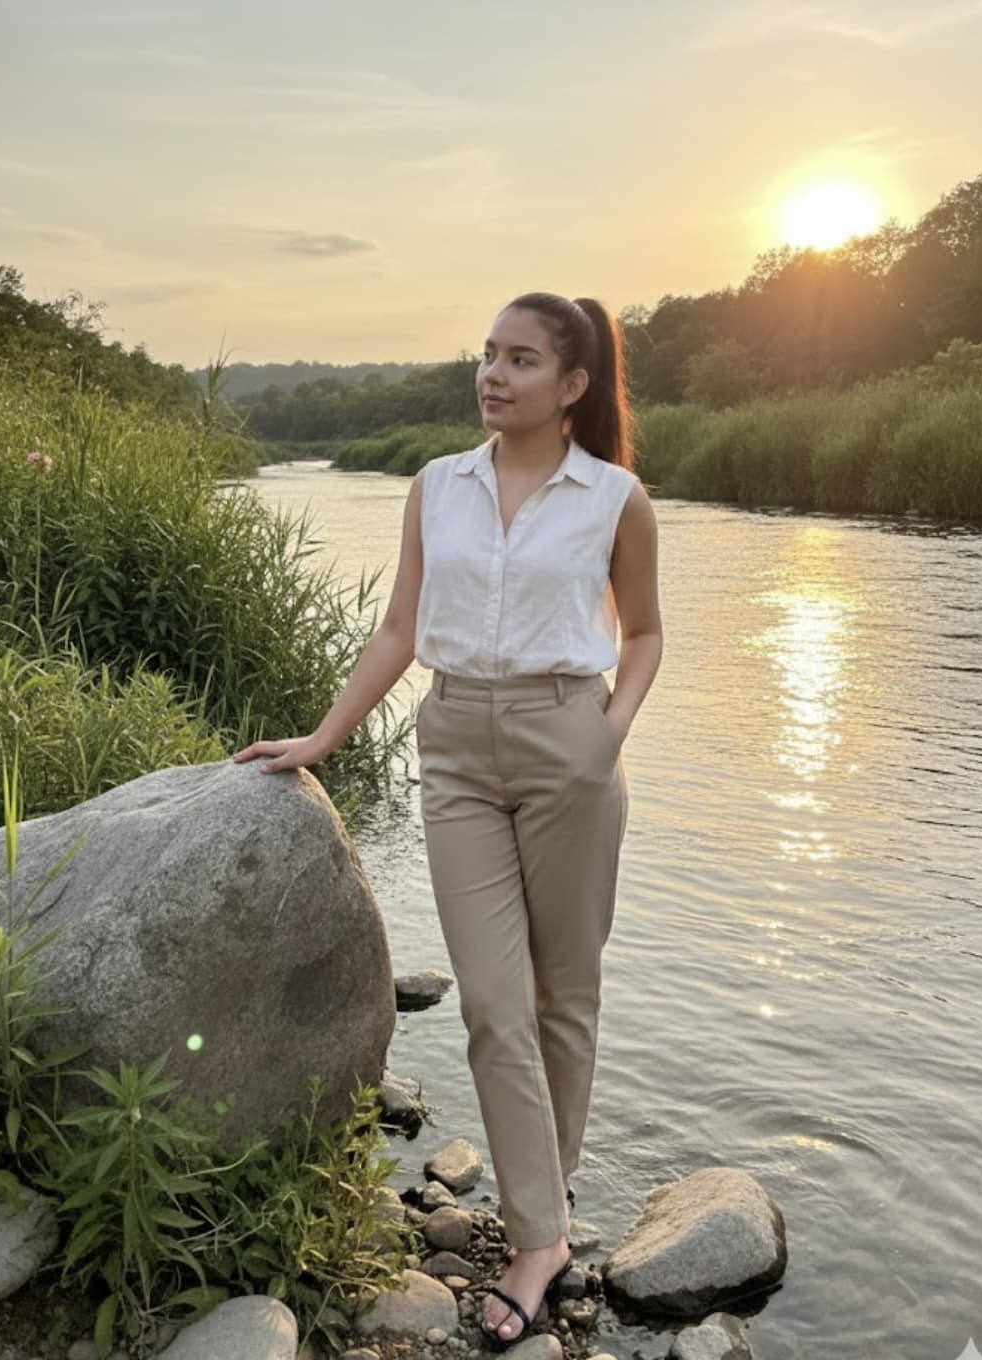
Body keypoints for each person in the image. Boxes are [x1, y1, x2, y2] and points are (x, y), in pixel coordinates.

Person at [234, 291, 662, 1349]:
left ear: (572, 386)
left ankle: (545, 1199)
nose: (493, 374)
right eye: (487, 355)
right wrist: (323, 737)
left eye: (520, 360)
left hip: (571, 738)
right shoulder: (437, 485)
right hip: (459, 745)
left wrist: (606, 734)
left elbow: (646, 633)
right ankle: (535, 1238)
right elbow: (400, 626)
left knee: (567, 993)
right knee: (491, 998)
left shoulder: (616, 497)